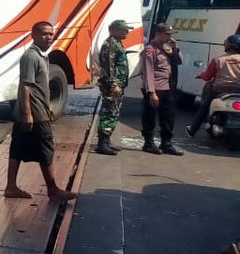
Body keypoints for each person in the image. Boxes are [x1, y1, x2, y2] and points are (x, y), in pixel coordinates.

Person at [5, 21, 75, 202]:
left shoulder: (42, 56)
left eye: (51, 34)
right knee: (46, 150)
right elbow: (25, 86)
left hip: (37, 111)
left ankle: (10, 187)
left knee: (17, 149)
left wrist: (48, 107)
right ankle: (53, 190)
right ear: (33, 35)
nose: (49, 37)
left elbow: (39, 87)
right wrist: (28, 114)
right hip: (34, 115)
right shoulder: (31, 57)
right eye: (44, 34)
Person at [139, 22, 184, 155]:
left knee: (168, 116)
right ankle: (148, 143)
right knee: (150, 116)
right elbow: (148, 72)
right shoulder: (150, 50)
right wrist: (152, 92)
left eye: (170, 34)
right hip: (154, 89)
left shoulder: (168, 48)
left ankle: (166, 143)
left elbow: (178, 61)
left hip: (167, 87)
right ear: (158, 34)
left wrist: (175, 48)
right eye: (167, 34)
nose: (169, 37)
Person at [186, 34, 240, 137]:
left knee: (204, 108)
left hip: (220, 90)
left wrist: (200, 75)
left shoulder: (218, 60)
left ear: (229, 45)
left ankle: (192, 131)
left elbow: (207, 77)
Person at [94, 19, 131, 155]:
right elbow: (109, 67)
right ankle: (102, 144)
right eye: (124, 29)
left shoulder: (117, 43)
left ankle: (107, 140)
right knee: (109, 112)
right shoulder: (110, 44)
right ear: (114, 29)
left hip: (118, 85)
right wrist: (113, 84)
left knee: (114, 111)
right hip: (112, 86)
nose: (127, 32)